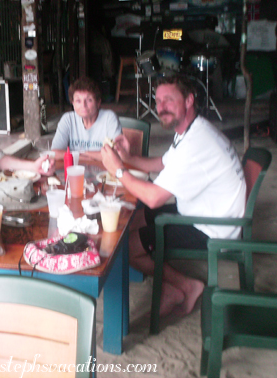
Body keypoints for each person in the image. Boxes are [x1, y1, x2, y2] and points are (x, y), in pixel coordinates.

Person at [101, 75, 246, 316]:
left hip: (213, 227)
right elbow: (162, 163)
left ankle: (187, 286)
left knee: (127, 247)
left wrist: (118, 169)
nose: (161, 107)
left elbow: (154, 198)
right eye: (157, 101)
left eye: (169, 100)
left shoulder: (197, 143)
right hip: (201, 210)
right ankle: (170, 286)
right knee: (133, 221)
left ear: (189, 100)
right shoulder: (190, 131)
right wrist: (127, 158)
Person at [51, 76, 122, 161]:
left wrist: (80, 154)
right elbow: (54, 153)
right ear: (73, 103)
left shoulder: (109, 118)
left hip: (103, 171)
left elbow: (116, 154)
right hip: (75, 171)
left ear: (98, 102)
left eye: (89, 100)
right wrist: (94, 156)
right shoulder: (68, 119)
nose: (83, 105)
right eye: (78, 101)